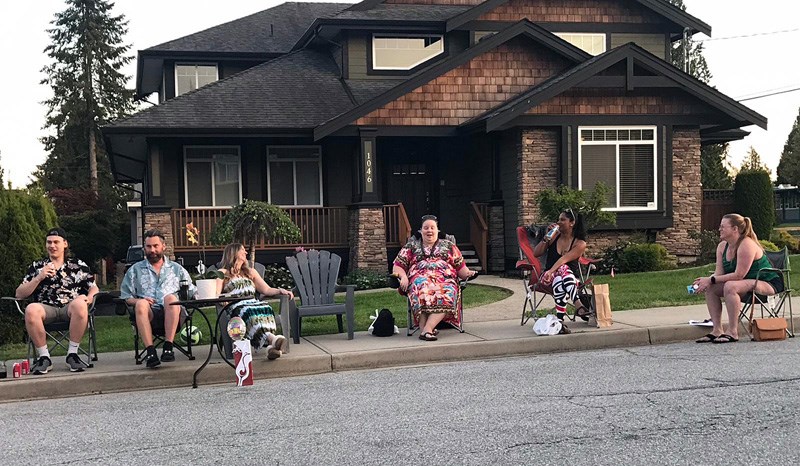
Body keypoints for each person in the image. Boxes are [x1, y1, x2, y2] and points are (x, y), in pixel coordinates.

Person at [15, 227, 99, 374]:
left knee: (80, 304)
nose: (52, 246)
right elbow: (19, 294)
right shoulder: (37, 266)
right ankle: (44, 358)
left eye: (56, 242)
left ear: (65, 244)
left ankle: (72, 355)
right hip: (46, 308)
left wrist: (89, 297)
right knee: (31, 309)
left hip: (70, 307)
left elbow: (93, 287)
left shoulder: (77, 265)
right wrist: (39, 277)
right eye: (49, 242)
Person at [693, 213, 781, 344]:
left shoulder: (746, 244)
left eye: (723, 227)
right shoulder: (722, 246)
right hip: (744, 284)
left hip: (767, 283)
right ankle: (717, 330)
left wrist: (711, 279)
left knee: (730, 286)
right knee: (711, 287)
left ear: (735, 229)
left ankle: (732, 331)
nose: (719, 229)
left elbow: (739, 275)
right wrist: (706, 281)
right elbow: (718, 274)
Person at [392, 215, 476, 341]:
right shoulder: (411, 246)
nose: (429, 230)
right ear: (421, 231)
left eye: (432, 228)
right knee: (422, 287)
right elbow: (397, 266)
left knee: (447, 291)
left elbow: (461, 269)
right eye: (426, 228)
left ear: (438, 230)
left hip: (445, 280)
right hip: (419, 279)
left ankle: (426, 329)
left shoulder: (449, 246)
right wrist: (403, 276)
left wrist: (469, 273)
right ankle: (426, 330)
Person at [120, 229, 195, 368]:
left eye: (155, 246)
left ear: (163, 246)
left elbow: (191, 292)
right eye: (148, 247)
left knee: (170, 298)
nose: (152, 250)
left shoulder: (177, 269)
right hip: (148, 315)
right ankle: (150, 352)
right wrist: (138, 301)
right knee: (141, 304)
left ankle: (168, 347)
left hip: (174, 314)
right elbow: (126, 296)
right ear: (144, 248)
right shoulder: (134, 270)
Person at [215, 243, 291, 359]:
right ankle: (274, 340)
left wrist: (280, 290)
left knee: (265, 307)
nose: (246, 253)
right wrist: (222, 299)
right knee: (248, 311)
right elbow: (216, 294)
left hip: (253, 303)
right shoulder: (223, 273)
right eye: (242, 250)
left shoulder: (250, 272)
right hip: (236, 307)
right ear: (234, 253)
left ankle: (272, 346)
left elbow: (266, 289)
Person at [532, 208, 589, 321]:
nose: (558, 222)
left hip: (569, 279)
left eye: (562, 220)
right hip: (548, 278)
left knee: (560, 277)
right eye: (558, 219)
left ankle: (559, 320)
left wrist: (551, 271)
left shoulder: (580, 243)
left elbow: (563, 259)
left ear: (572, 223)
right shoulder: (553, 237)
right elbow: (536, 253)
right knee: (560, 274)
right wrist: (546, 238)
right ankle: (578, 304)